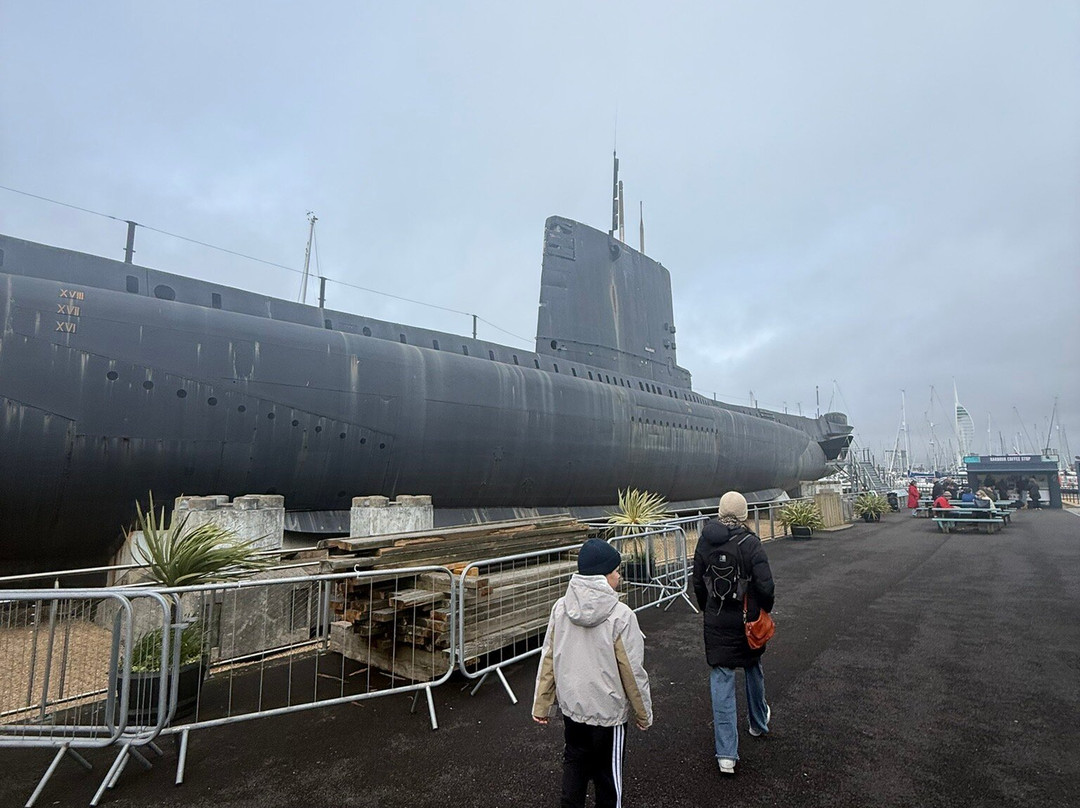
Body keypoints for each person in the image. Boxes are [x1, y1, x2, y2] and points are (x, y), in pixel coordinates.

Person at [532, 538, 653, 808]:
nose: (620, 576)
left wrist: (542, 704)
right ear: (603, 576)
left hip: (573, 708)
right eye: (616, 571)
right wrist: (643, 712)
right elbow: (632, 671)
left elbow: (549, 657)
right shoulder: (622, 616)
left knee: (574, 764)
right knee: (609, 778)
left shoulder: (561, 608)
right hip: (608, 713)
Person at [691, 491, 774, 776]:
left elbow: (698, 583)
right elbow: (765, 585)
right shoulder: (751, 543)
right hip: (746, 618)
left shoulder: (705, 542)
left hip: (716, 620)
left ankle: (726, 755)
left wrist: (707, 609)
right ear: (743, 514)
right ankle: (758, 723)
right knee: (753, 667)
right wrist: (764, 609)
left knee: (722, 678)